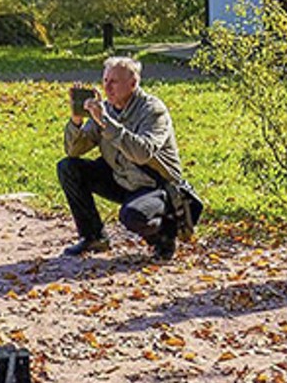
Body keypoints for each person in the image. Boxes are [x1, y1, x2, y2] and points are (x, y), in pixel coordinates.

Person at [57, 57, 188, 260]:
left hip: (154, 185)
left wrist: (106, 122)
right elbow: (74, 151)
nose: (107, 87)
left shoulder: (153, 110)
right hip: (122, 178)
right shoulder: (105, 109)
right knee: (68, 167)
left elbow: (142, 153)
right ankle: (93, 237)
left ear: (133, 84)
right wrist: (76, 120)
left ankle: (166, 236)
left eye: (114, 82)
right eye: (105, 80)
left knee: (132, 216)